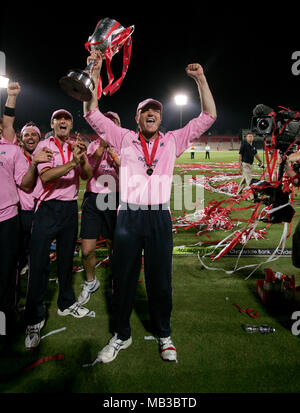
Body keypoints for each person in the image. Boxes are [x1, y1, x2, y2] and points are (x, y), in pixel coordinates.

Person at [83, 51, 217, 364]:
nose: (151, 114)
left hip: (159, 216)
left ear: (162, 117)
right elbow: (91, 112)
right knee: (123, 279)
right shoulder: (123, 138)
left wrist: (200, 79)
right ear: (137, 117)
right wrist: (96, 70)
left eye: (155, 110)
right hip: (128, 216)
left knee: (160, 281)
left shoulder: (173, 140)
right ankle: (120, 335)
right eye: (145, 111)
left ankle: (164, 333)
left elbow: (208, 116)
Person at [24, 109, 93, 351]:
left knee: (66, 261)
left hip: (68, 209)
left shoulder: (76, 144)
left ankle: (66, 303)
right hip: (46, 208)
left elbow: (86, 175)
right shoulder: (44, 144)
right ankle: (34, 318)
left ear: (71, 124)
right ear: (52, 123)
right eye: (58, 119)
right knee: (39, 263)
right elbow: (46, 177)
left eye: (67, 119)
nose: (63, 122)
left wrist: (82, 158)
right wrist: (72, 162)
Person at [0, 86, 53, 346]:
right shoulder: (13, 150)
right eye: (26, 134)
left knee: (36, 268)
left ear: (39, 137)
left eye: (34, 134)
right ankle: (11, 312)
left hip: (38, 215)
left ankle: (32, 317)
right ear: (20, 139)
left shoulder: (48, 153)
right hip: (17, 217)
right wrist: (12, 97)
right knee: (14, 268)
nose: (30, 137)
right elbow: (7, 124)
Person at [77, 111, 121, 306]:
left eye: (113, 123)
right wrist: (100, 150)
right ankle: (90, 281)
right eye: (106, 123)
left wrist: (111, 151)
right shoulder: (94, 145)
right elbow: (86, 174)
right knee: (86, 250)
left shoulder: (126, 145)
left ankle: (115, 278)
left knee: (115, 246)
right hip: (93, 198)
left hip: (114, 197)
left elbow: (128, 170)